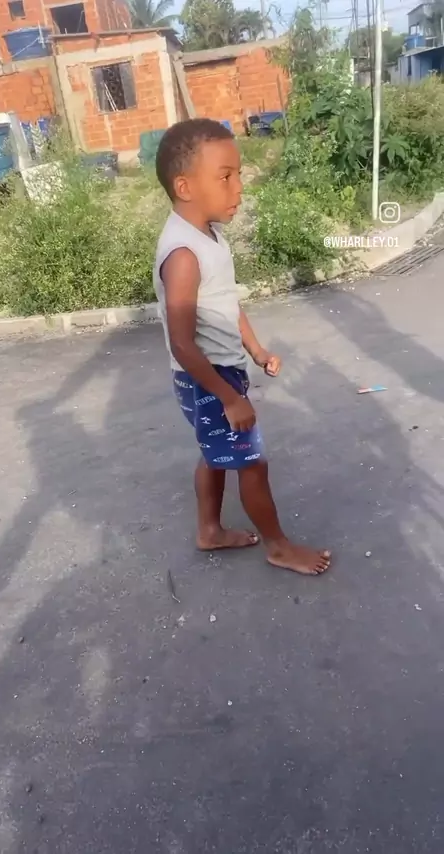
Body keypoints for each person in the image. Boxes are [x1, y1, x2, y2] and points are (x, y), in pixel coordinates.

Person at [153, 118, 331, 575]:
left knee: (214, 456)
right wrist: (229, 398)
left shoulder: (209, 237)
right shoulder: (183, 256)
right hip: (208, 379)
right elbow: (182, 343)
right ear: (185, 186)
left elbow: (226, 305)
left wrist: (256, 350)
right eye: (225, 176)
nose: (239, 187)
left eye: (239, 175)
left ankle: (209, 530)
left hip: (218, 373)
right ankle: (278, 546)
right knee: (252, 464)